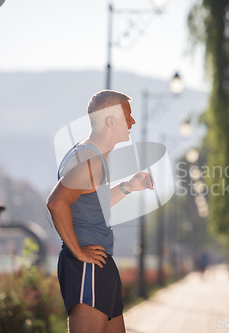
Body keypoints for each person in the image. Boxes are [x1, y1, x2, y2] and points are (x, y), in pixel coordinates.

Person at [47, 90, 154, 333]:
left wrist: (128, 186)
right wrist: (78, 252)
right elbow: (56, 202)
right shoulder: (89, 159)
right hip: (87, 265)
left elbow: (93, 202)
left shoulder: (92, 155)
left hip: (101, 263)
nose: (133, 121)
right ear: (110, 121)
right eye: (128, 115)